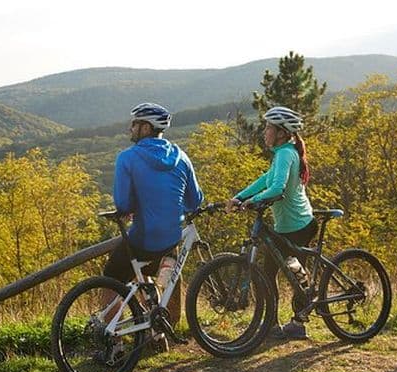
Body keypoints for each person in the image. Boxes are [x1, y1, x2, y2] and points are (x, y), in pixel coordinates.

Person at [103, 102, 204, 330]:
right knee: (149, 279)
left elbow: (122, 203)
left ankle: (114, 343)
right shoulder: (182, 157)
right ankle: (158, 333)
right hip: (171, 240)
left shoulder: (127, 158)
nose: (131, 128)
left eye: (135, 124)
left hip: (143, 238)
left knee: (110, 281)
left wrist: (135, 206)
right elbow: (195, 201)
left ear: (146, 128)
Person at [226, 106, 318, 340]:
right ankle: (272, 323)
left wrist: (250, 202)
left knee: (295, 274)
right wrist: (240, 196)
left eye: (268, 127)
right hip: (285, 227)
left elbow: (276, 188)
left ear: (281, 132)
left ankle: (298, 323)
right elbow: (265, 180)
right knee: (268, 274)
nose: (264, 131)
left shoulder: (286, 153)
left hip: (299, 226)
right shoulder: (282, 154)